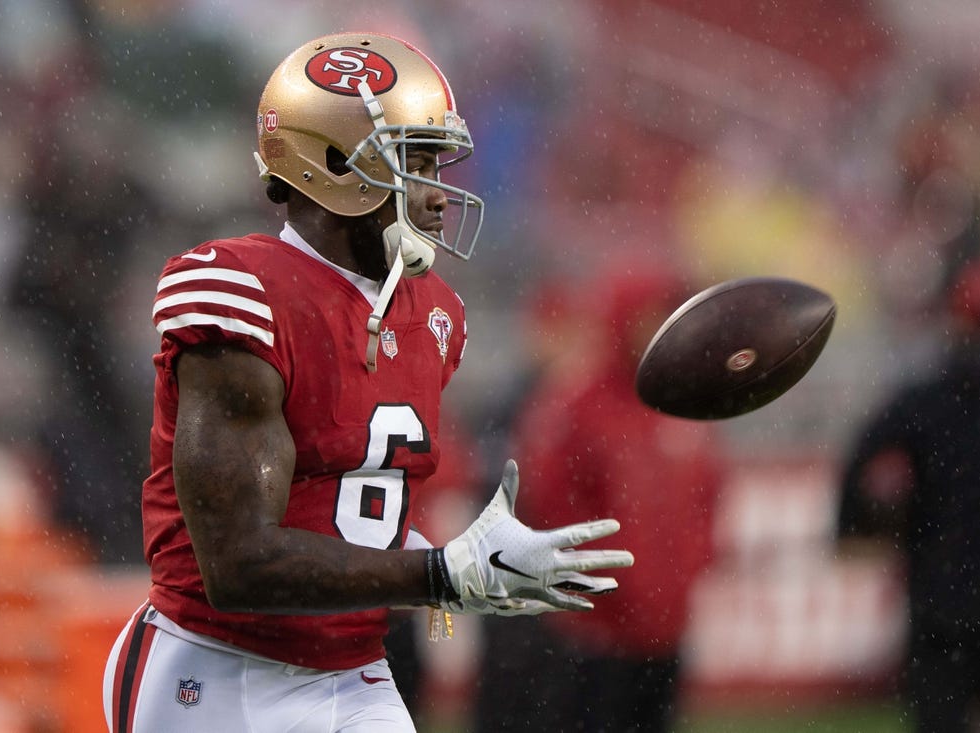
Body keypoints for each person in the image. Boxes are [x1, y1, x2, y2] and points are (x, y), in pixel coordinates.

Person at [101, 31, 633, 733]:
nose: (442, 190)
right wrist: (441, 574)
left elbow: (348, 514)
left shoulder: (435, 312)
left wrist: (479, 566)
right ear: (331, 164)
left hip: (353, 667)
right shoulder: (243, 292)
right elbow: (239, 563)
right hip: (215, 667)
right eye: (415, 160)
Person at [477, 270, 727, 733]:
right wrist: (609, 592)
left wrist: (681, 579)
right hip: (592, 636)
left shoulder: (683, 402)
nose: (655, 328)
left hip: (664, 632)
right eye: (648, 315)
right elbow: (549, 509)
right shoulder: (573, 406)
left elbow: (707, 501)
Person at [837, 255, 980, 733]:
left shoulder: (920, 402)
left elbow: (861, 464)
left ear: (957, 318)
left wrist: (856, 527)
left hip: (940, 599)